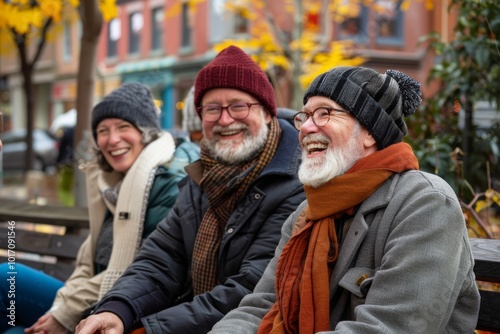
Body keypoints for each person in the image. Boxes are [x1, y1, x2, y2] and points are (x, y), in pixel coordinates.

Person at [209, 66, 481, 334]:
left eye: (324, 113)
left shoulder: (426, 203)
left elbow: (390, 327)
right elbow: (261, 305)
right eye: (304, 116)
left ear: (370, 132)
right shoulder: (307, 212)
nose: (306, 127)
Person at [75, 45, 305, 333]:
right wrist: (116, 311)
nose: (224, 119)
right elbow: (160, 259)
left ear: (267, 112)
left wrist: (150, 329)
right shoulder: (202, 177)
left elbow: (251, 287)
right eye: (212, 109)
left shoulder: (295, 182)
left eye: (238, 106)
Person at [0, 83, 186, 333]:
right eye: (102, 130)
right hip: (89, 298)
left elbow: (139, 271)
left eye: (123, 127)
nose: (112, 139)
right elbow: (86, 265)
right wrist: (62, 307)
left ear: (146, 132)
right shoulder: (111, 183)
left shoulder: (167, 185)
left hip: (125, 309)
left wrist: (65, 314)